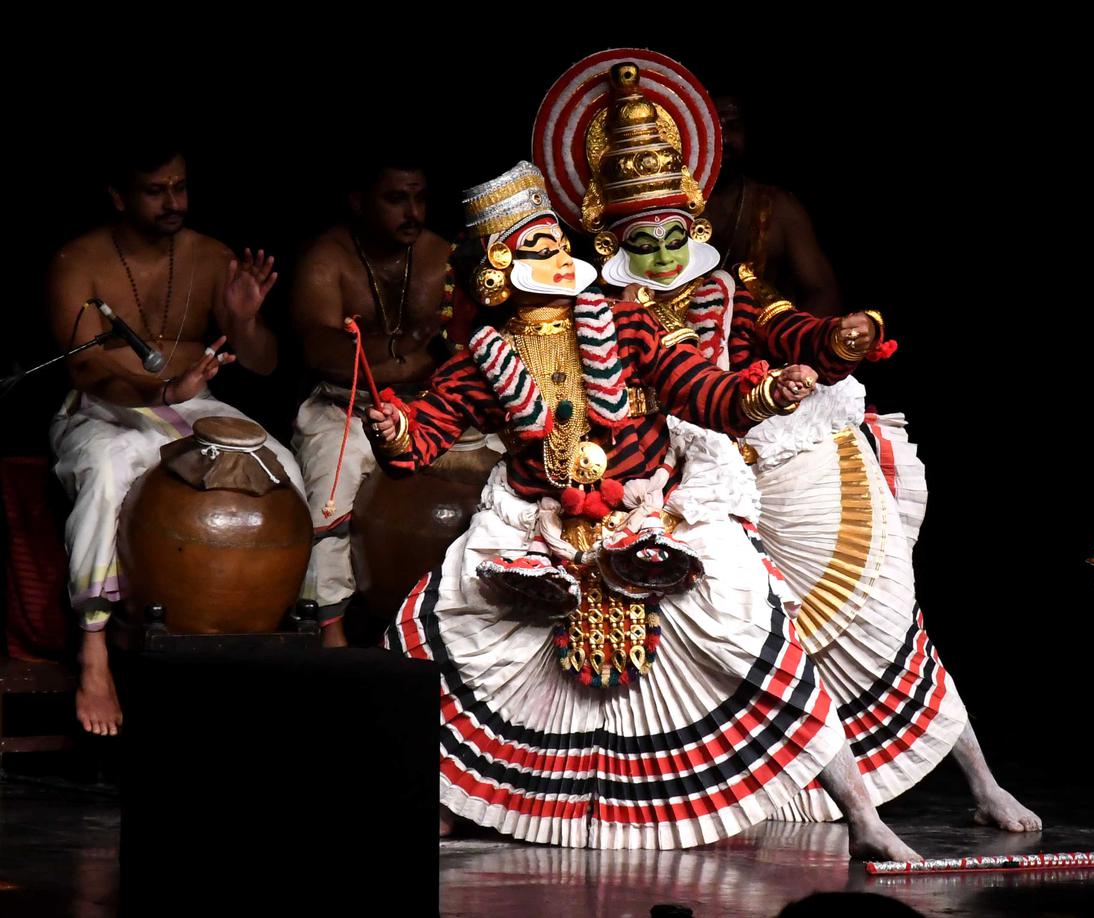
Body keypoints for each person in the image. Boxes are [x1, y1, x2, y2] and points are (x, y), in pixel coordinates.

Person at [536, 51, 1039, 832]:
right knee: (744, 651)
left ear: (693, 226)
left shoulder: (721, 287)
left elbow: (784, 327)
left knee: (883, 620)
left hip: (760, 461)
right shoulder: (597, 311)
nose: (665, 255)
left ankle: (979, 780)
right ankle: (793, 804)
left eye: (675, 235)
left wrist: (836, 341)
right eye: (645, 240)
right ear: (612, 237)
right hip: (656, 491)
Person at [366, 161, 920, 858]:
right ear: (497, 271)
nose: (558, 259)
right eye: (537, 250)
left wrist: (765, 397)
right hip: (538, 525)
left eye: (556, 245)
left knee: (758, 635)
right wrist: (393, 434)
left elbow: (705, 392)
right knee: (439, 632)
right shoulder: (483, 361)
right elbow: (422, 440)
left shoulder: (627, 325)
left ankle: (862, 816)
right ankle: (446, 799)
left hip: (653, 512)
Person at [47, 145, 303, 736]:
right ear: (118, 195)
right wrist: (163, 391)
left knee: (283, 466)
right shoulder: (77, 261)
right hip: (103, 409)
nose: (173, 202)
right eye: (156, 190)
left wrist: (243, 322)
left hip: (194, 403)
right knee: (111, 471)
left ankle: (281, 640)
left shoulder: (212, 256)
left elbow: (263, 366)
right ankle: (94, 651)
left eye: (180, 188)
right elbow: (87, 371)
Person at [290, 155, 452, 645]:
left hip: (433, 409)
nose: (413, 212)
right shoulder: (328, 259)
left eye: (420, 197)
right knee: (328, 488)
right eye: (396, 198)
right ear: (360, 202)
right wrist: (408, 347)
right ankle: (330, 632)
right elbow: (320, 351)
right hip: (347, 407)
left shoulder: (443, 255)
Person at [704, 93, 840, 317]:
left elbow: (823, 293)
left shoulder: (777, 207)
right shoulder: (665, 207)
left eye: (733, 125)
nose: (724, 138)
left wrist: (792, 341)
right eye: (713, 126)